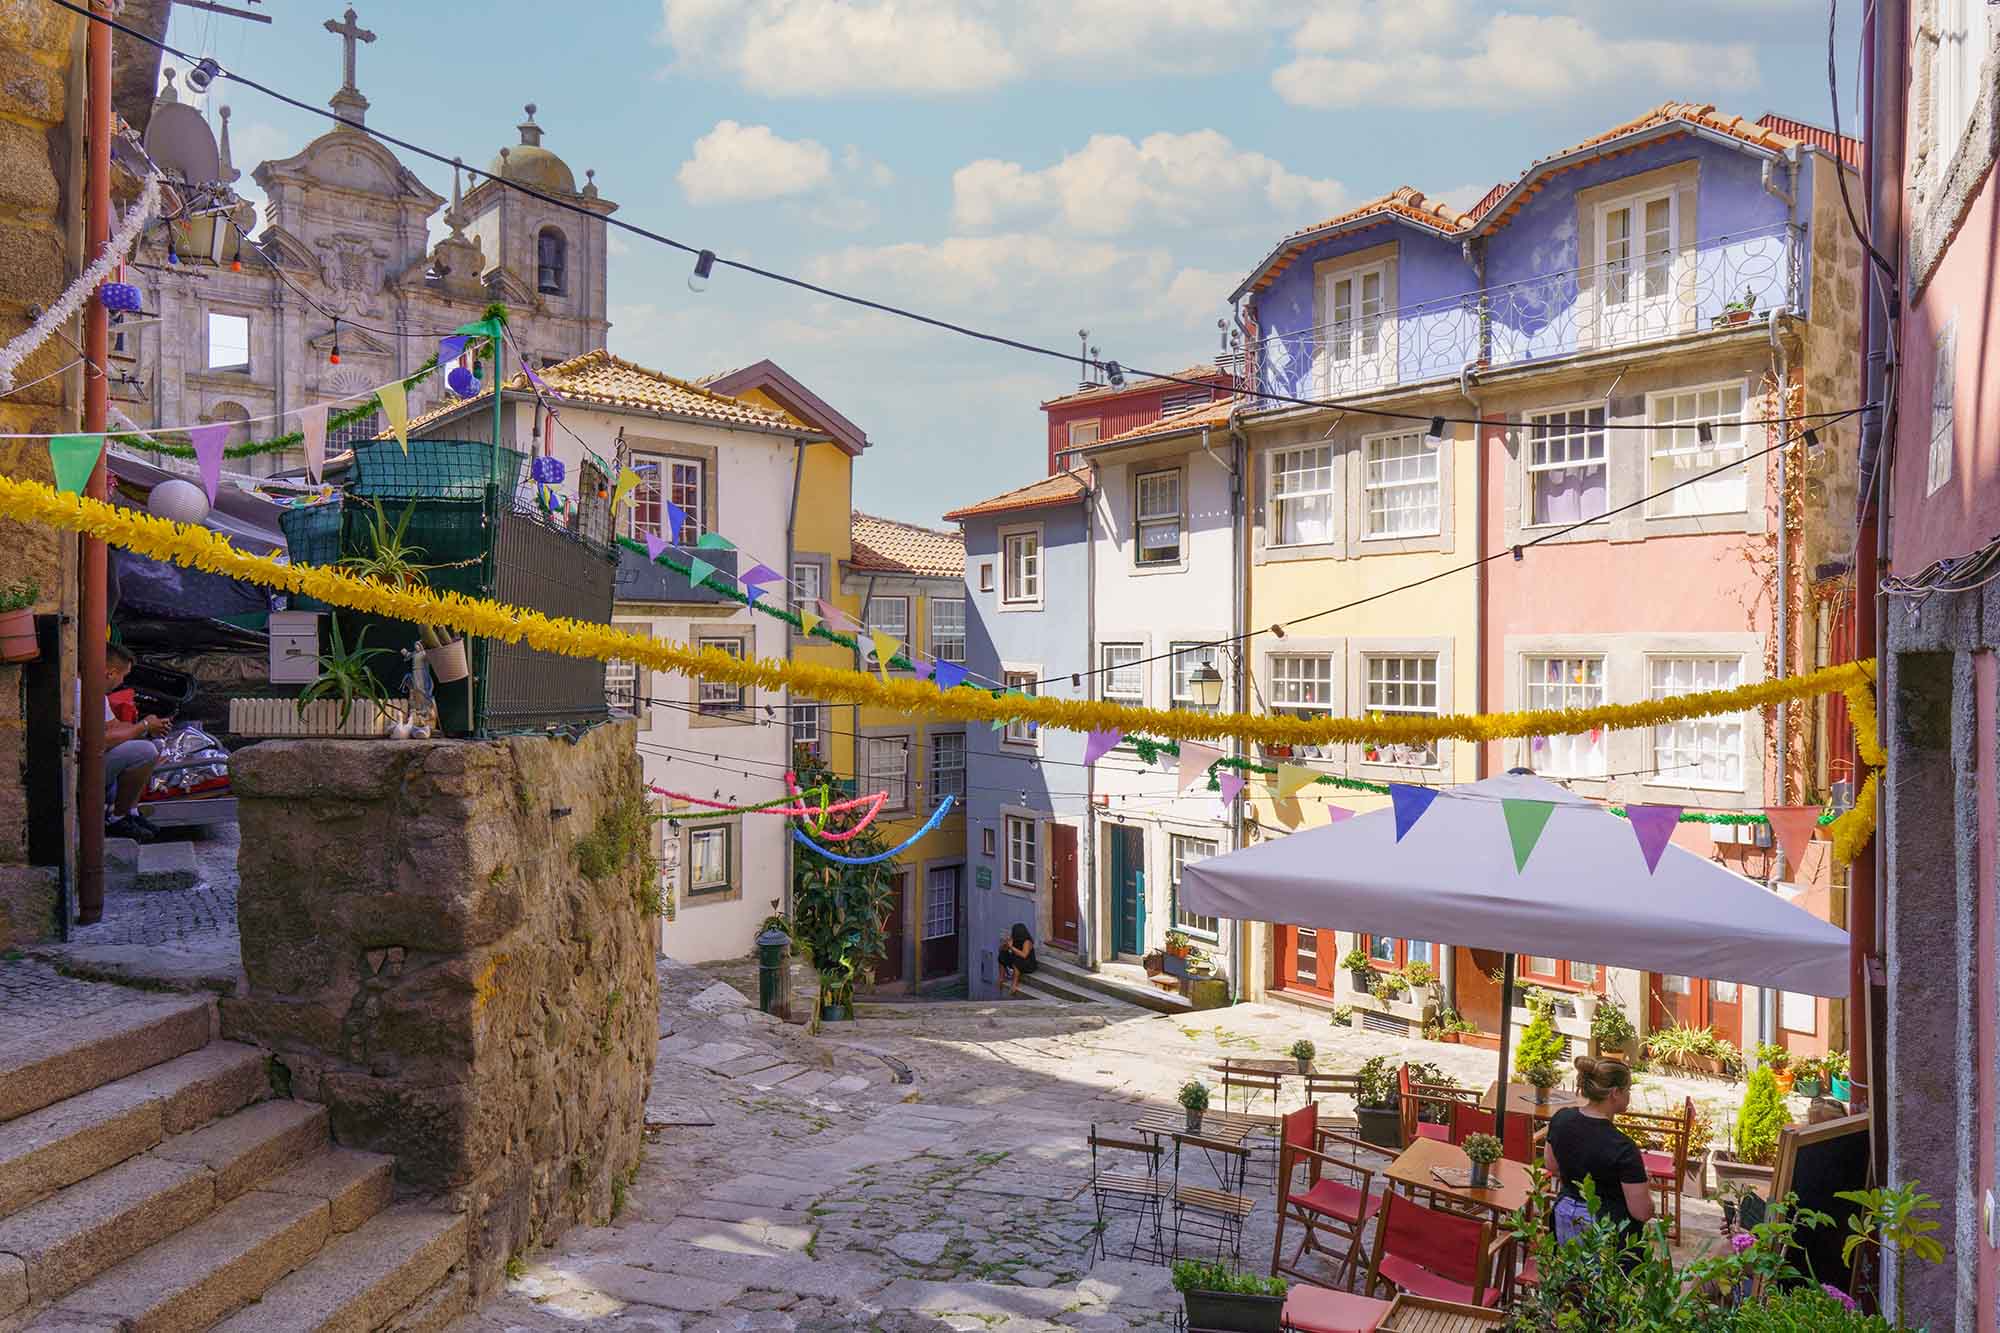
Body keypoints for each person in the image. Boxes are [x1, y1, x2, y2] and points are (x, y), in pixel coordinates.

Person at [1544, 1054, 1653, 1246]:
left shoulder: (1561, 1119)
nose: (1629, 1095)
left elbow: (1552, 1165)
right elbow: (1642, 1212)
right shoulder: (1622, 1147)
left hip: (1565, 1220)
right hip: (1606, 1235)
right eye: (1628, 1089)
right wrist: (1643, 1184)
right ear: (1615, 1093)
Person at [90, 644, 167, 842]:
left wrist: (149, 727)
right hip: (85, 769)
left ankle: (131, 812)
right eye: (123, 676)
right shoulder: (82, 692)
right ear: (110, 673)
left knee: (156, 744)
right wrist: (143, 726)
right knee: (145, 750)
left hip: (98, 764)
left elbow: (115, 726)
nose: (122, 682)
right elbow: (99, 741)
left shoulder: (98, 694)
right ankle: (117, 819)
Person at [997, 923, 1037, 996]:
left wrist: (1011, 947)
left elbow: (1024, 955)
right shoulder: (1014, 939)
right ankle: (1001, 977)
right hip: (1017, 960)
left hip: (1029, 964)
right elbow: (1001, 950)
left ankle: (1014, 984)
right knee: (1002, 955)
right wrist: (1005, 945)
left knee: (1017, 961)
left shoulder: (1027, 941)